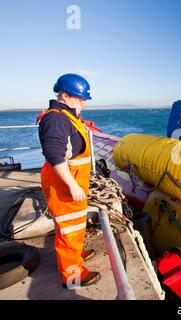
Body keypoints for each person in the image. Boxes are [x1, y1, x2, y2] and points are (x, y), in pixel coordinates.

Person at [38, 73, 100, 288]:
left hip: (73, 182)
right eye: (80, 98)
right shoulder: (55, 118)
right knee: (68, 231)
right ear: (65, 95)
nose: (84, 102)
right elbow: (54, 155)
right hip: (64, 185)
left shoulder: (68, 116)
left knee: (75, 226)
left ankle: (78, 254)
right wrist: (72, 185)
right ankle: (73, 277)